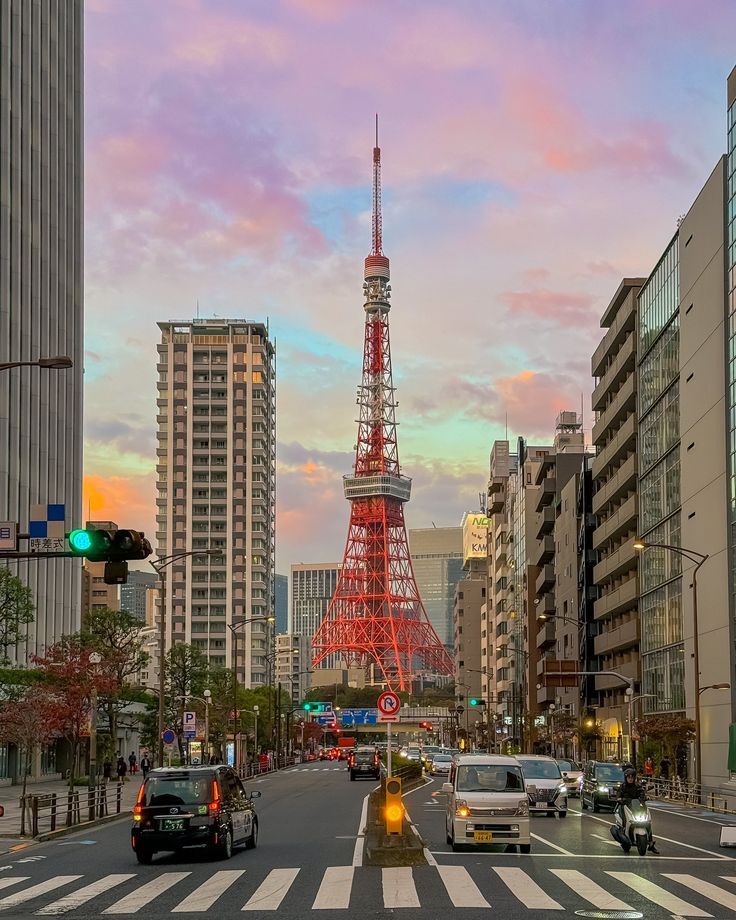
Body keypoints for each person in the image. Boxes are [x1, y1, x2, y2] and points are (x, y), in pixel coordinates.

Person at [617, 766, 658, 853]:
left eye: (632, 777)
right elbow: (619, 795)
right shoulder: (623, 787)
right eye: (629, 777)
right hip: (626, 806)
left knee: (648, 822)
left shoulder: (638, 786)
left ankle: (651, 843)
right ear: (626, 778)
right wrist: (620, 799)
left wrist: (645, 798)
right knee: (624, 819)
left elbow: (642, 793)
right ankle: (623, 832)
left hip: (637, 807)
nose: (630, 779)